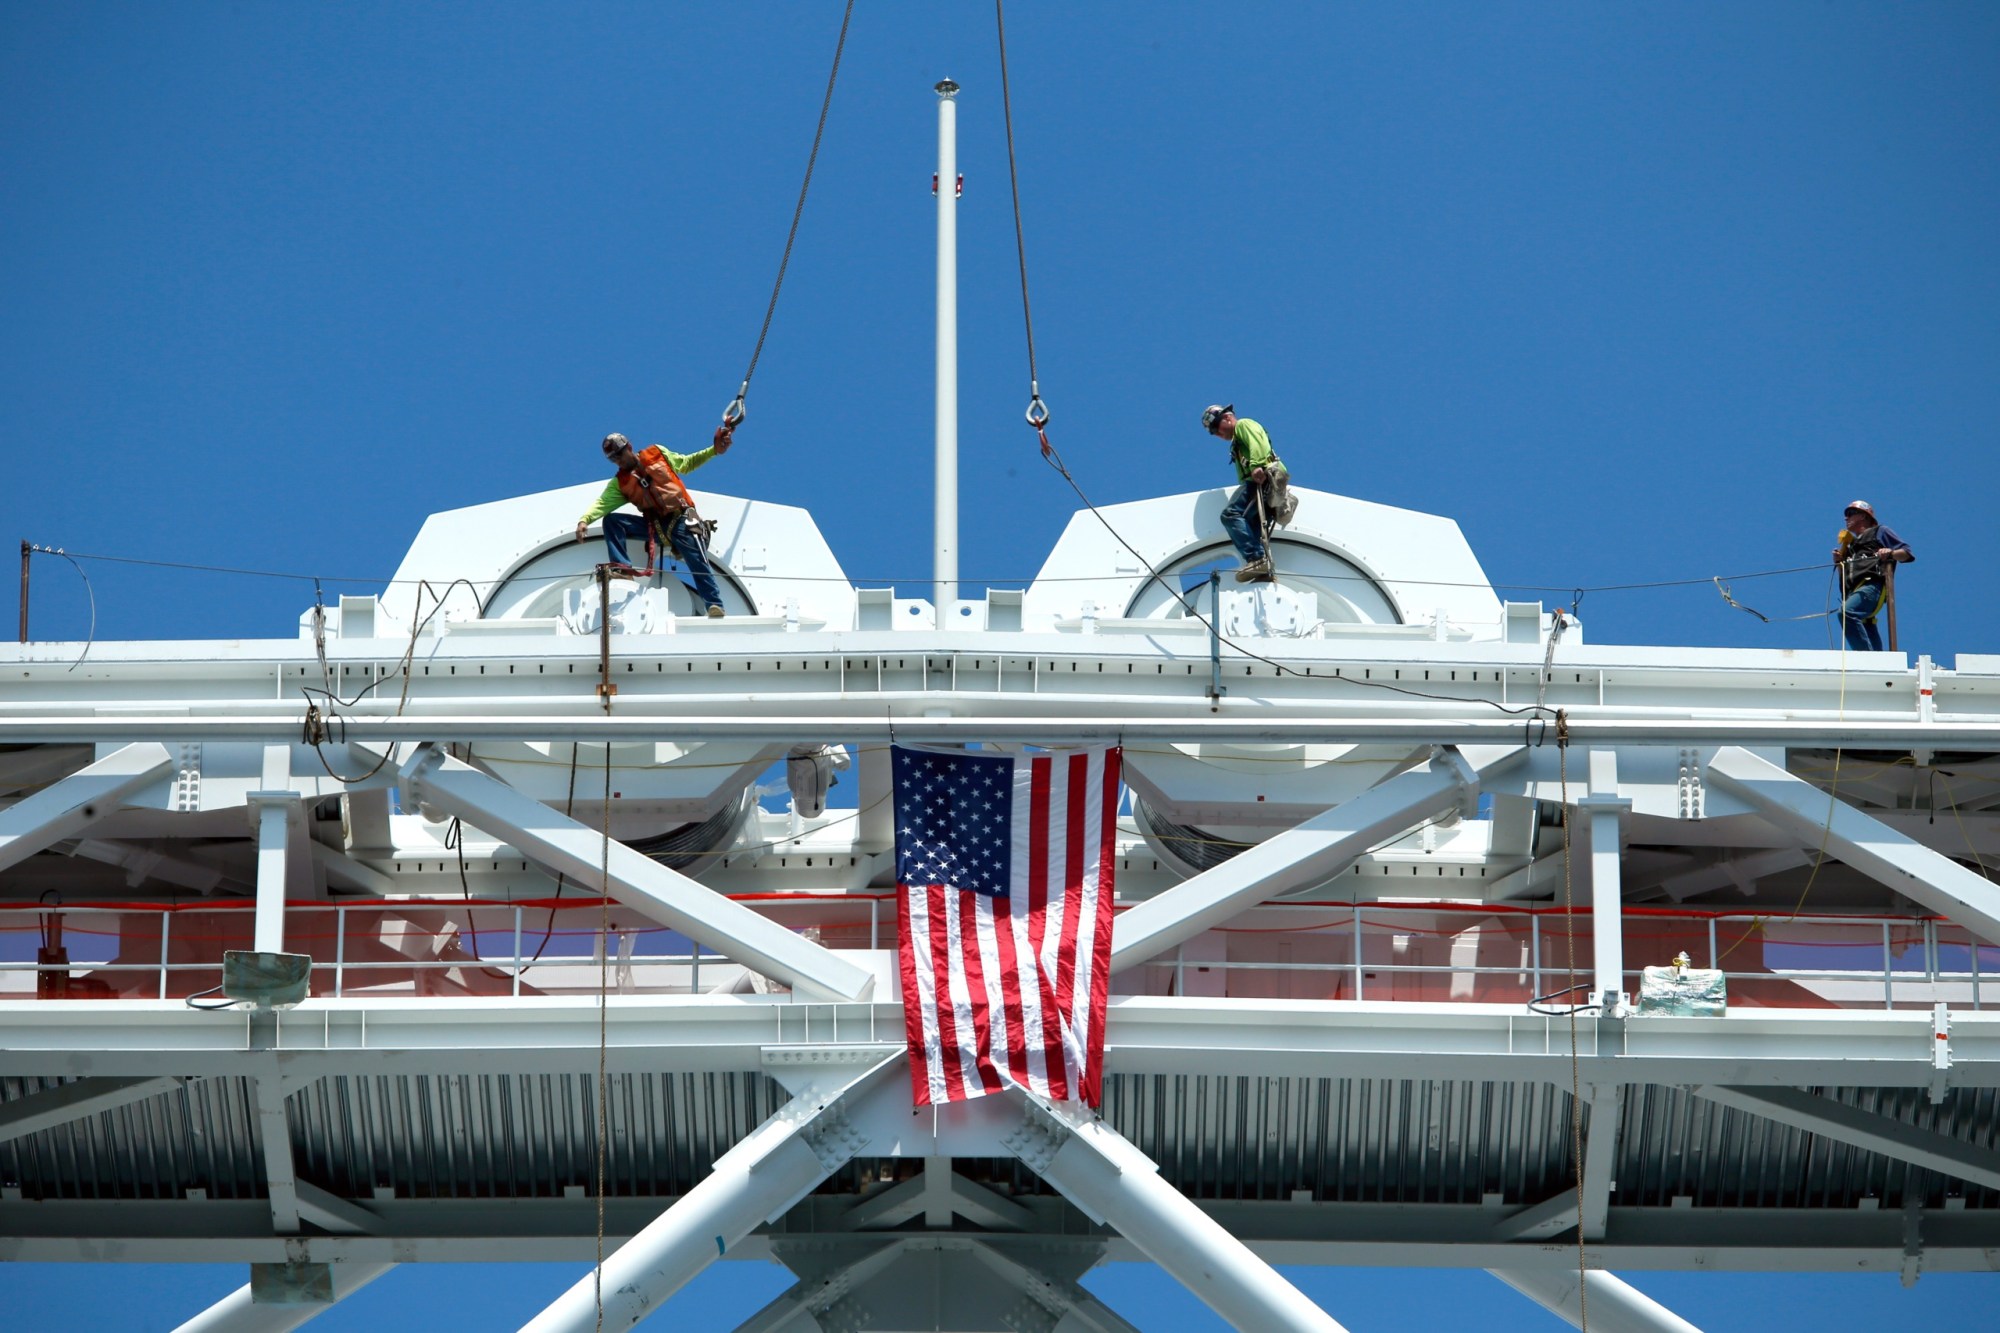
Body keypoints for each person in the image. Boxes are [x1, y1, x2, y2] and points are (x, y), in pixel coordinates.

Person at [575, 428, 732, 617]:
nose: (618, 460)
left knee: (697, 560)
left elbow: (686, 463)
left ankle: (714, 604)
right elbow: (602, 504)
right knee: (612, 521)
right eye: (613, 459)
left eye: (619, 454)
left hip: (682, 520)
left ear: (629, 447)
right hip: (654, 528)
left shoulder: (657, 453)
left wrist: (714, 450)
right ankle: (624, 570)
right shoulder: (621, 483)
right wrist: (584, 520)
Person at [1201, 403, 1295, 581]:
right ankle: (1263, 572)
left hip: (1261, 479)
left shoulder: (1244, 425)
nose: (1218, 434)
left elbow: (1257, 442)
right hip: (1264, 482)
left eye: (1216, 428)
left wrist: (1256, 466)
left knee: (1231, 514)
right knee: (1253, 527)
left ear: (1227, 418)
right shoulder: (1235, 443)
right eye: (1214, 433)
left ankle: (1256, 559)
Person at [1832, 500, 1912, 652]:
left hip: (1871, 586)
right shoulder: (1851, 547)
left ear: (1863, 516)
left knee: (1846, 612)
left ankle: (1865, 659)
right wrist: (1838, 563)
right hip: (1854, 592)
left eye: (1850, 514)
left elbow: (1906, 553)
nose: (1846, 518)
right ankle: (1879, 665)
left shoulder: (1880, 531)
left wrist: (1890, 553)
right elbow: (1843, 580)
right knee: (1865, 625)